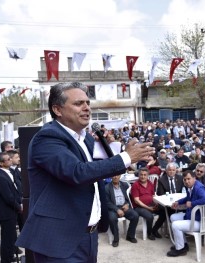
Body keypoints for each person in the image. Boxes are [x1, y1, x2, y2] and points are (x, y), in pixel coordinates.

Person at [16, 82, 154, 262]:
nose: (86, 108)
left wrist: (119, 151)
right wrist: (126, 158)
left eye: (88, 103)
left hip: (89, 236)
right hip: (60, 240)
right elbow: (76, 172)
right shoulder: (47, 137)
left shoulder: (85, 138)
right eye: (78, 103)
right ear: (57, 109)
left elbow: (95, 171)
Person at [167, 170, 205, 257]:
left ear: (194, 178)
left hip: (201, 221)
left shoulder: (198, 188)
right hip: (195, 217)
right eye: (185, 179)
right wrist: (178, 202)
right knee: (173, 217)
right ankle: (183, 244)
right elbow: (188, 197)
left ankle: (180, 249)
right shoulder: (191, 187)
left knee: (175, 225)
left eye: (188, 179)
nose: (187, 181)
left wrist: (192, 203)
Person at [0, 152, 22, 263]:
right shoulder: (0, 177)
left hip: (11, 211)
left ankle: (10, 256)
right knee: (7, 238)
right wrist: (19, 206)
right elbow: (8, 197)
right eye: (8, 159)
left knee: (11, 237)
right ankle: (5, 260)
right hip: (6, 212)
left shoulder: (8, 172)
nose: (11, 160)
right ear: (1, 163)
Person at [105, 174, 139, 247]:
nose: (115, 177)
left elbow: (129, 197)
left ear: (120, 176)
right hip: (113, 208)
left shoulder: (125, 185)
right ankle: (116, 238)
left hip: (124, 206)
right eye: (114, 175)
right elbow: (107, 202)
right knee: (112, 218)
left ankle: (130, 236)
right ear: (111, 176)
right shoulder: (107, 188)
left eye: (117, 175)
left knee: (135, 215)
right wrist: (117, 209)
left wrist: (127, 204)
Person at [130, 167, 159, 240]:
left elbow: (152, 195)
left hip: (150, 204)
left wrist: (156, 203)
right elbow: (136, 201)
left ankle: (155, 229)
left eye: (145, 175)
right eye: (141, 175)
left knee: (163, 211)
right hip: (138, 207)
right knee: (150, 216)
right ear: (138, 175)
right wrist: (148, 208)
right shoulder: (135, 185)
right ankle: (149, 233)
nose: (143, 176)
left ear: (148, 175)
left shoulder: (150, 183)